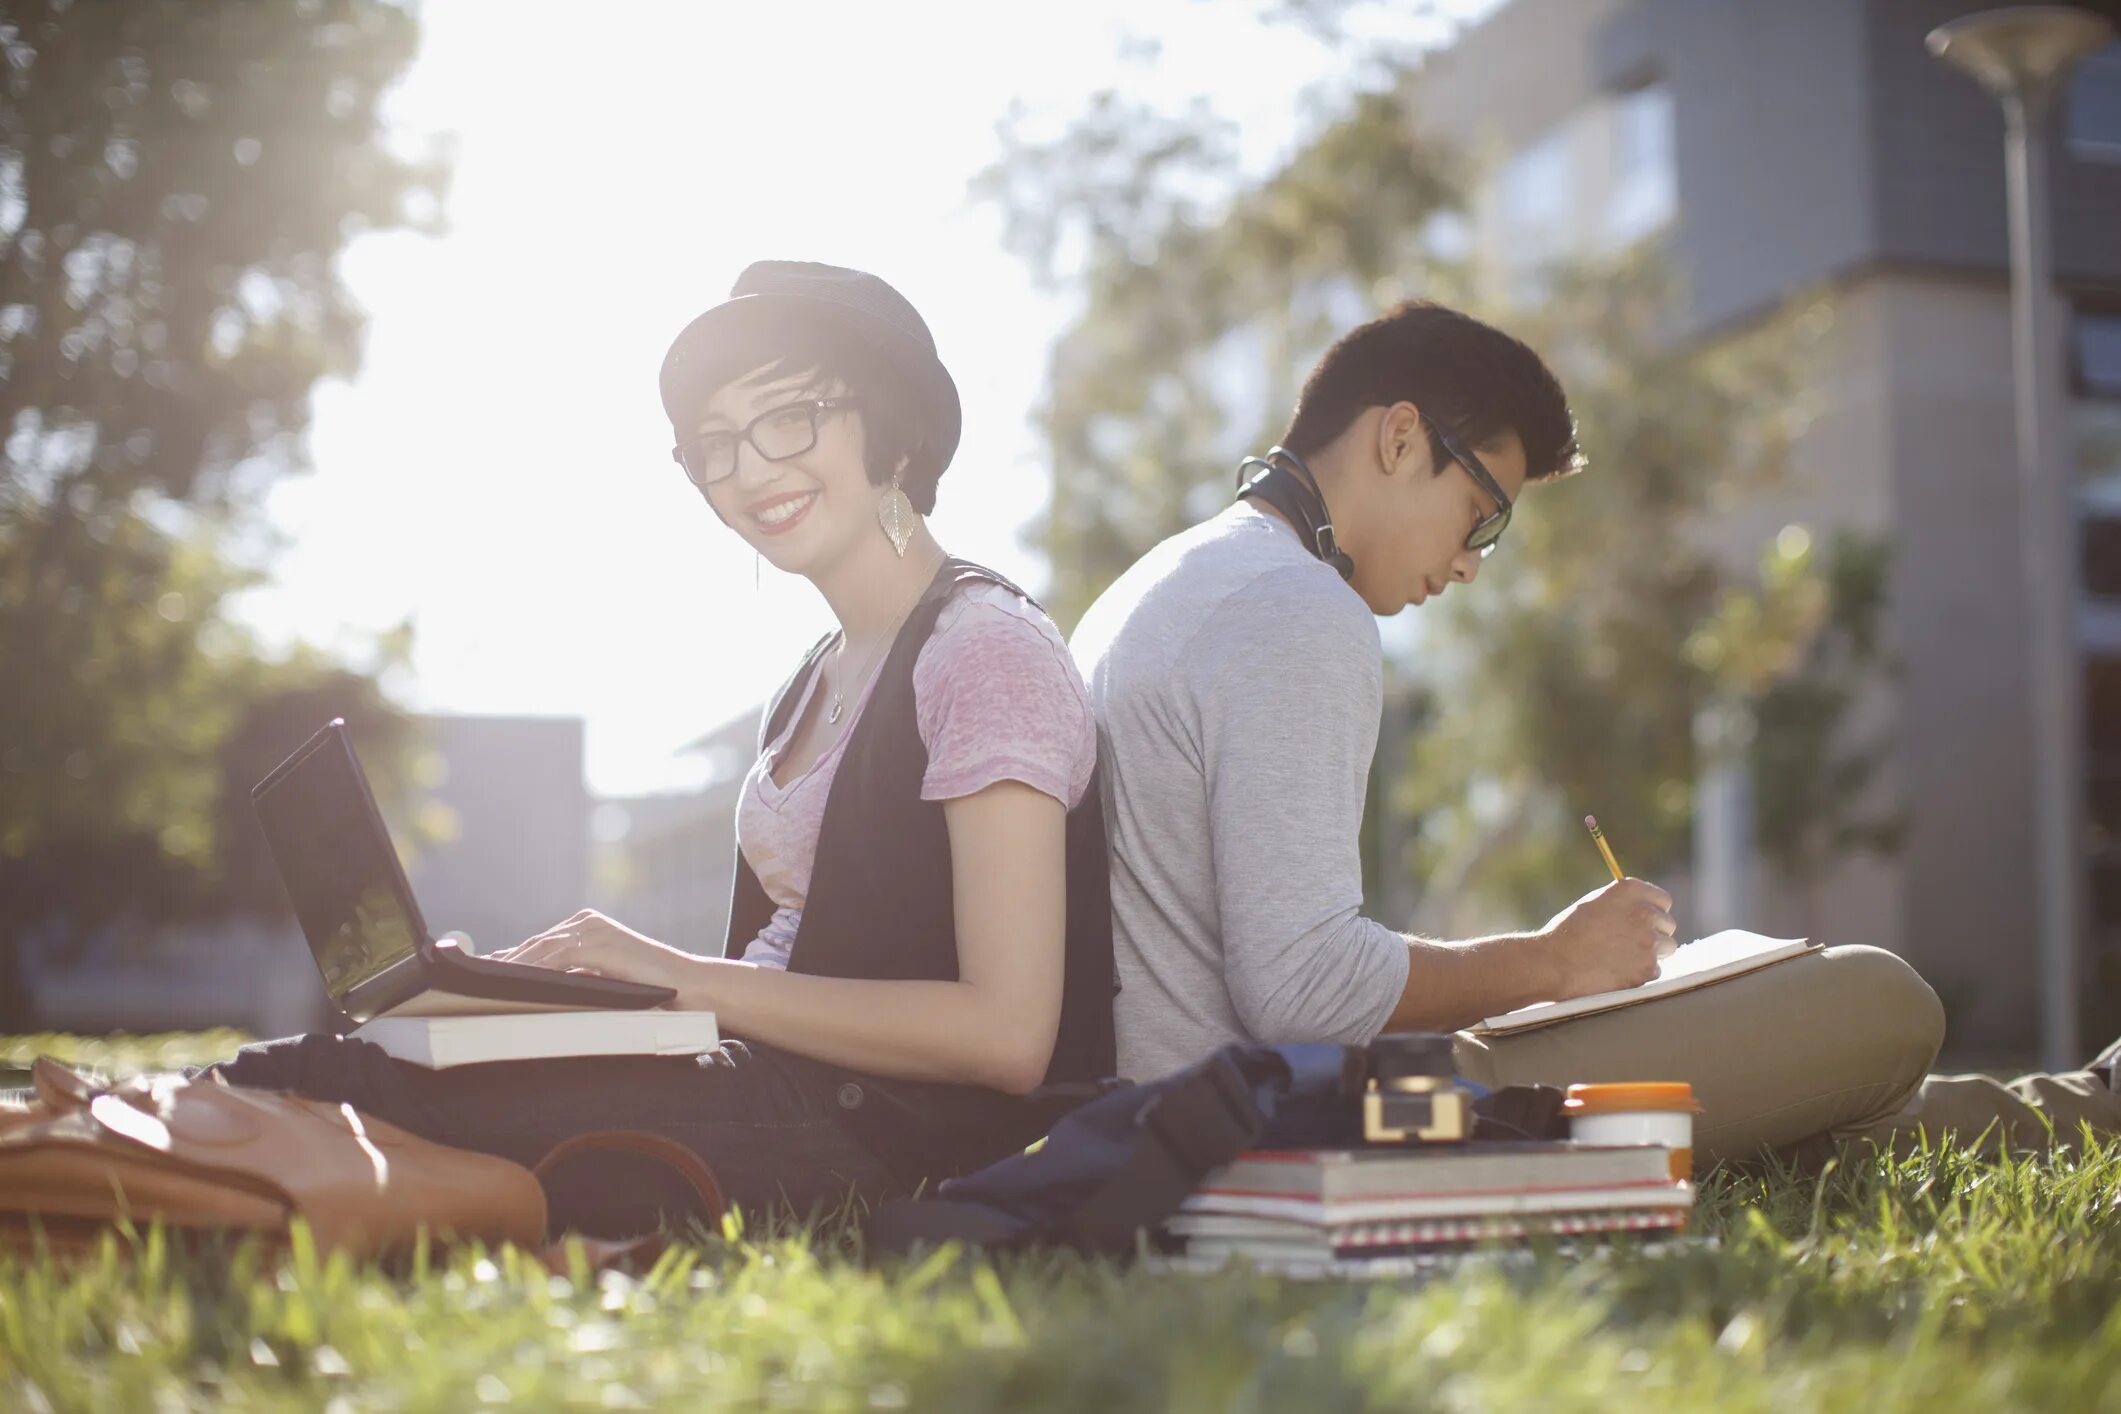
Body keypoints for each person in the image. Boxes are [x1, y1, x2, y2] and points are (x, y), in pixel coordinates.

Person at [1070, 298, 2121, 1166]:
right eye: (1483, 513)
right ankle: (2093, 1104)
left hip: (1196, 1116)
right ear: (1399, 438)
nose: (1476, 560)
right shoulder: (1298, 608)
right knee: (1880, 1003)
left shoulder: (1165, 579)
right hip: (1311, 1131)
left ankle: (2090, 1105)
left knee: (1793, 1099)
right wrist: (1554, 961)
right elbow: (1302, 990)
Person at [207, 261, 1115, 1231]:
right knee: (370, 1060)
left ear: (895, 430)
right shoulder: (810, 682)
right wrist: (528, 1002)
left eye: (788, 417)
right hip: (766, 1082)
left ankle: (77, 1172)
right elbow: (781, 973)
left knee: (335, 1085)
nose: (751, 469)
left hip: (885, 1134)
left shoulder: (983, 650)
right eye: (715, 443)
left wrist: (667, 972)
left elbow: (1010, 1036)